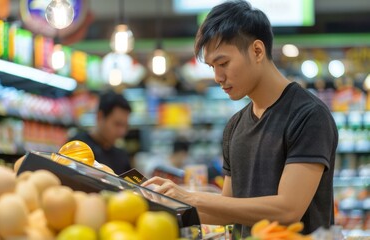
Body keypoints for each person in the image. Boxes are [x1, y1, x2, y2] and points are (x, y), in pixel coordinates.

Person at [142, 0, 338, 238]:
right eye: (212, 66)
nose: (217, 76)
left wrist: (190, 196)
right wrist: (162, 209)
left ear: (257, 51)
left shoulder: (308, 115)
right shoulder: (235, 126)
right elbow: (228, 210)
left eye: (223, 63)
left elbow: (288, 210)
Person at [70, 89, 132, 175]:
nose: (122, 132)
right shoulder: (77, 146)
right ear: (100, 117)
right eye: (117, 124)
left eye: (125, 126)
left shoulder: (121, 156)